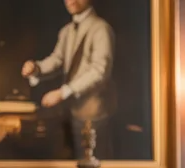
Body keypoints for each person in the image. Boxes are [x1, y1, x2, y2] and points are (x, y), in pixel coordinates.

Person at [20, 0, 116, 155]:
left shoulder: (101, 29)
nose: (71, 1)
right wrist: (36, 68)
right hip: (69, 114)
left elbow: (99, 71)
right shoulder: (66, 31)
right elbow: (57, 60)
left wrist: (62, 92)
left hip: (93, 116)